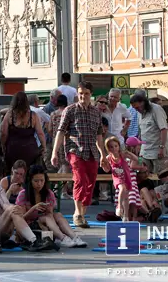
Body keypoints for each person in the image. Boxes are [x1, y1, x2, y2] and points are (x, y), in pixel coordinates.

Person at [51, 81, 107, 229]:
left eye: (86, 93)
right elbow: (61, 131)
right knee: (80, 180)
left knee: (90, 183)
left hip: (92, 152)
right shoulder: (70, 110)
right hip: (75, 150)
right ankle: (77, 213)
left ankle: (82, 213)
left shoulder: (96, 112)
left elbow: (99, 135)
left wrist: (102, 154)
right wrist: (54, 152)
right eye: (81, 93)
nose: (83, 96)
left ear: (91, 94)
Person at [16, 165, 85, 247]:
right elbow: (21, 219)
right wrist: (34, 208)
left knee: (57, 215)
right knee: (47, 217)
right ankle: (63, 238)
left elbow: (51, 215)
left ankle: (74, 237)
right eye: (36, 181)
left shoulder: (49, 193)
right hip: (29, 228)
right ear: (30, 181)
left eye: (42, 180)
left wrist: (48, 210)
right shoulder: (23, 194)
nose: (39, 184)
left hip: (46, 225)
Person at [1, 91, 46, 169]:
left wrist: (2, 145)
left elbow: (4, 133)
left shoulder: (9, 114)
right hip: (30, 149)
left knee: (14, 172)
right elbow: (40, 133)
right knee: (30, 172)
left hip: (13, 148)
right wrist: (44, 146)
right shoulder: (33, 115)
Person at [105, 136, 144, 221]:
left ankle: (126, 215)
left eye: (115, 146)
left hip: (127, 177)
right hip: (117, 178)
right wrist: (104, 165)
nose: (114, 148)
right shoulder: (109, 158)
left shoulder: (123, 154)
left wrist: (140, 164)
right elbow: (107, 169)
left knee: (126, 197)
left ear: (119, 146)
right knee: (122, 188)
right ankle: (119, 206)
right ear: (108, 148)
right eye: (111, 147)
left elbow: (138, 159)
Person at [129, 93, 168, 174]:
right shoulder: (139, 113)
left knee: (161, 174)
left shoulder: (156, 109)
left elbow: (164, 129)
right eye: (134, 108)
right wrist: (138, 144)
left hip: (157, 150)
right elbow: (141, 130)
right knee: (142, 172)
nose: (136, 110)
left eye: (137, 107)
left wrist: (162, 147)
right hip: (144, 151)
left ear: (143, 102)